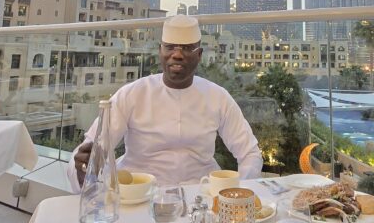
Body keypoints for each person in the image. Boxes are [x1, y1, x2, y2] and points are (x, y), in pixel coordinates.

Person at [67, 14, 263, 190]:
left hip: (199, 194)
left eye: (186, 48)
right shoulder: (132, 94)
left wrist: (239, 193)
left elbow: (250, 154)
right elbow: (90, 149)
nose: (176, 54)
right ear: (160, 51)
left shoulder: (217, 96)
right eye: (169, 47)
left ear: (199, 54)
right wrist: (83, 168)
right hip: (138, 194)